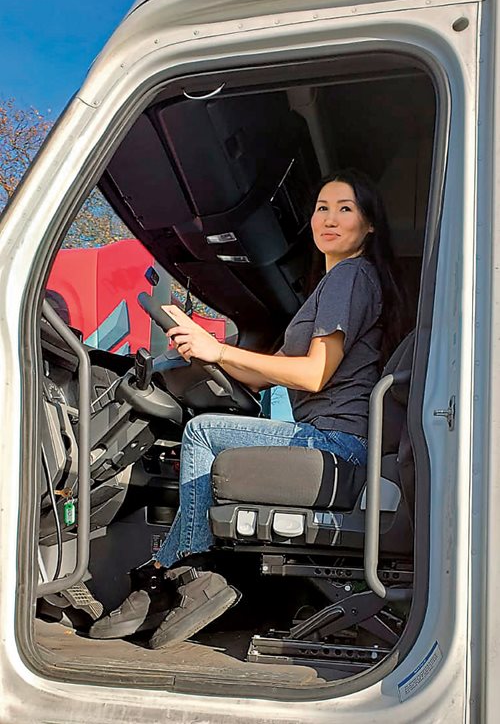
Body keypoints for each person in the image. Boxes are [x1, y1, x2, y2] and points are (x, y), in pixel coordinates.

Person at [90, 168, 406, 647]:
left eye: (346, 209)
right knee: (211, 429)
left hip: (341, 444)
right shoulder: (331, 286)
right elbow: (263, 372)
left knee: (203, 434)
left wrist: (218, 352)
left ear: (370, 225)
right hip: (334, 440)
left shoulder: (350, 276)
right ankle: (167, 576)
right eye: (322, 208)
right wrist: (201, 344)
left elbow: (314, 374)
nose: (330, 219)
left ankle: (185, 571)